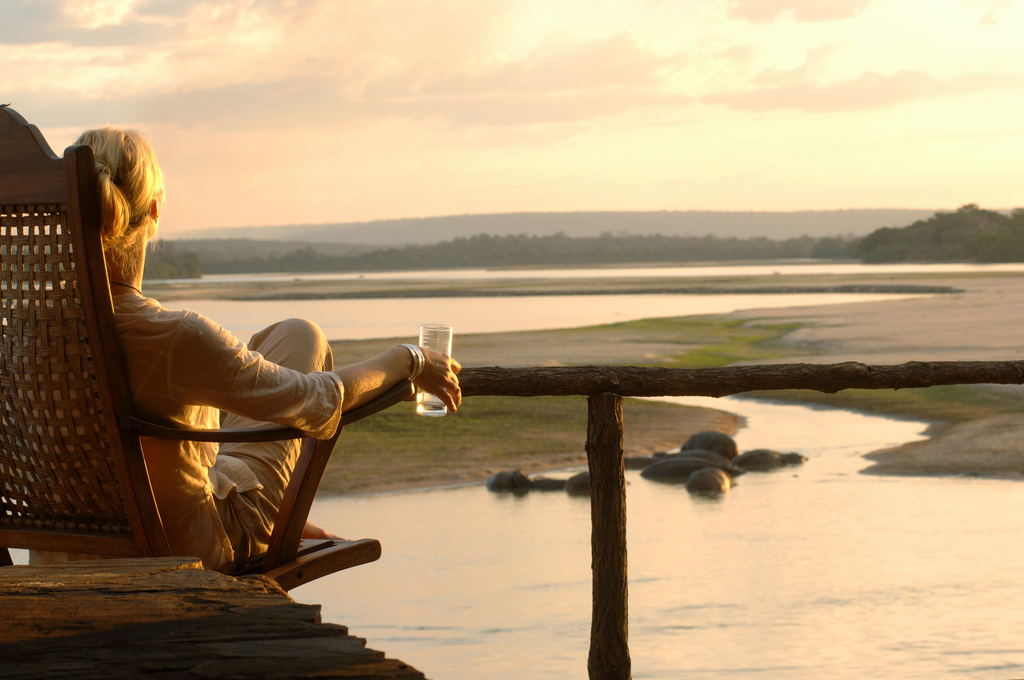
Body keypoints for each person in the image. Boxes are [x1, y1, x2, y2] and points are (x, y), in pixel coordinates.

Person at [57, 126, 462, 572]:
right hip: (184, 547)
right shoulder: (170, 337)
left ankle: (259, 508)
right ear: (154, 211)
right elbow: (319, 400)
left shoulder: (23, 332)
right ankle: (267, 518)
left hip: (67, 550)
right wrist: (412, 359)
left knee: (293, 334)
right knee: (306, 342)